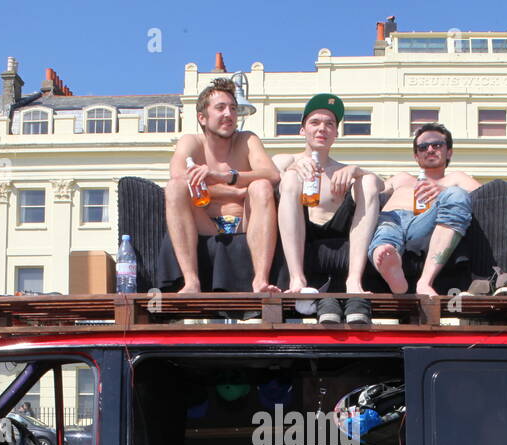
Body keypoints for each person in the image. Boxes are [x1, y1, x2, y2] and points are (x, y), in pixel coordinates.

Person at [165, 77, 282, 293]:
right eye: (220, 108)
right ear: (202, 117)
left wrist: (224, 176)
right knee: (175, 188)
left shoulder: (247, 139)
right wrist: (236, 190)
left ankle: (260, 280)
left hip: (244, 222)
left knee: (262, 187)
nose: (229, 114)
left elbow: (272, 174)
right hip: (205, 223)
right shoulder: (191, 142)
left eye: (233, 108)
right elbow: (179, 177)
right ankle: (191, 281)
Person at [273, 94, 382, 321]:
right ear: (302, 130)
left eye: (329, 124)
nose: (322, 128)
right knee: (292, 179)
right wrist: (293, 167)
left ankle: (354, 279)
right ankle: (297, 278)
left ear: (336, 133)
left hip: (338, 229)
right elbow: (268, 175)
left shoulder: (342, 169)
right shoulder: (286, 160)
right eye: (315, 122)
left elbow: (383, 186)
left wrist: (356, 170)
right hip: (299, 229)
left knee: (369, 181)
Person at [369, 123, 481, 296]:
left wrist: (444, 192)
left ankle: (425, 281)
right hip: (392, 219)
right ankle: (390, 264)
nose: (429, 149)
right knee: (385, 236)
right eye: (423, 147)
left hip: (424, 225)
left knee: (456, 194)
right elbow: (374, 190)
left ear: (449, 152)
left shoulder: (456, 178)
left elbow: (485, 197)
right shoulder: (403, 178)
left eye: (437, 145)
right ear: (416, 156)